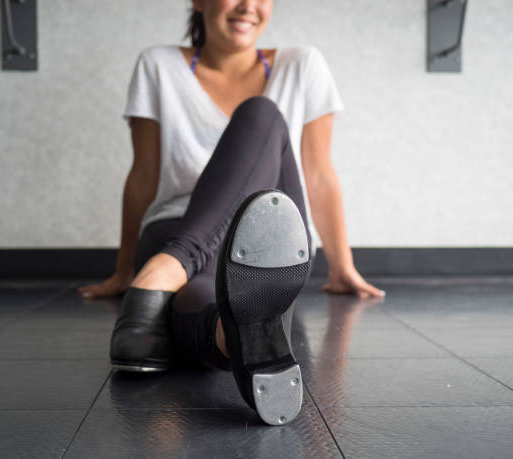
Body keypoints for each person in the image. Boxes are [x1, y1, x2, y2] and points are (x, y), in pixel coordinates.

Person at [78, 0, 385, 423]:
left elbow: (318, 173)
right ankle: (228, 336)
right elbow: (144, 176)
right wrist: (122, 268)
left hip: (269, 238)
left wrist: (341, 265)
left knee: (262, 113)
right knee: (203, 296)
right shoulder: (159, 64)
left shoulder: (302, 64)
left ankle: (162, 276)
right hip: (179, 224)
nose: (248, 6)